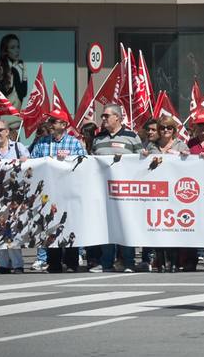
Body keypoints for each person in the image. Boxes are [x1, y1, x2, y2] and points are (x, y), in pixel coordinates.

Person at [29, 115, 86, 273]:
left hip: (68, 190)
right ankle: (53, 262)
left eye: (54, 122)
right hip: (49, 190)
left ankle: (72, 262)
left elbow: (83, 162)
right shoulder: (42, 143)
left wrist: (68, 159)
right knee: (51, 224)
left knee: (69, 224)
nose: (51, 125)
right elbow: (33, 162)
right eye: (50, 122)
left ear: (64, 124)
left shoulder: (74, 142)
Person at [90, 105, 141, 273]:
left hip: (125, 191)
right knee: (106, 226)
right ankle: (106, 263)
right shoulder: (98, 138)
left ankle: (128, 262)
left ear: (117, 117)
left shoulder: (132, 137)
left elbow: (140, 162)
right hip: (102, 191)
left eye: (106, 115)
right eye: (102, 116)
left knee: (126, 225)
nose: (103, 119)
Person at [0, 119, 28, 273]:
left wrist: (25, 161)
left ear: (7, 132)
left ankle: (17, 265)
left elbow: (30, 166)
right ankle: (3, 264)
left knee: (13, 230)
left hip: (15, 195)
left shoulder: (18, 147)